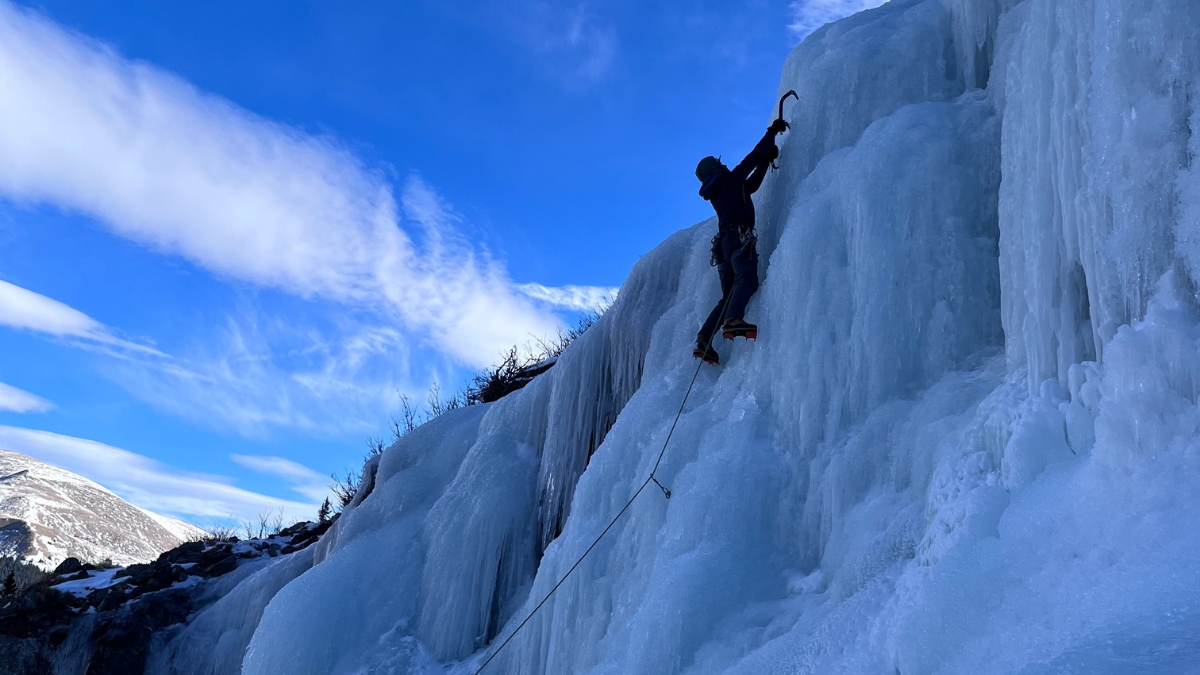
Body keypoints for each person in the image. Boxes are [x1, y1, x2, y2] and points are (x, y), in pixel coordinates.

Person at [692, 119, 788, 365]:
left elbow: (751, 186)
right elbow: (751, 158)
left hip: (723, 246)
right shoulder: (730, 181)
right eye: (720, 163)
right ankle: (733, 320)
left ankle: (704, 338)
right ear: (717, 167)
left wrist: (767, 161)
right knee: (747, 279)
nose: (724, 164)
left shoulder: (721, 192)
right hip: (738, 238)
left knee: (728, 295)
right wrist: (771, 134)